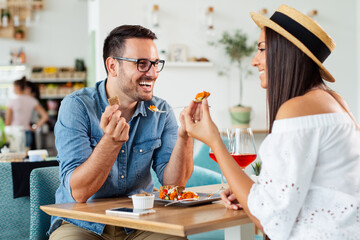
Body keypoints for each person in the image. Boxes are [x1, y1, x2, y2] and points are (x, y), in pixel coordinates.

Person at [183, 5, 360, 240]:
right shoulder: (335, 102)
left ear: (285, 53)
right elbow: (310, 187)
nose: (254, 61)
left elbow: (270, 221)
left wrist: (215, 141)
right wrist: (249, 189)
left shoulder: (297, 110)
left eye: (262, 49)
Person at [49, 25, 194, 240]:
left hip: (141, 223)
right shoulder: (77, 107)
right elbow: (79, 193)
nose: (153, 73)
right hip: (82, 224)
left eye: (155, 64)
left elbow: (174, 185)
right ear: (113, 66)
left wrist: (185, 134)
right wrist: (111, 142)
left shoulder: (161, 111)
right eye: (142, 64)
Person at [5, 77, 48, 151]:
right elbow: (45, 116)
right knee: (26, 157)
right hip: (27, 132)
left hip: (14, 133)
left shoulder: (11, 101)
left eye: (14, 87)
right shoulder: (32, 100)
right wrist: (35, 127)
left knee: (15, 158)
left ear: (17, 87)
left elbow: (7, 122)